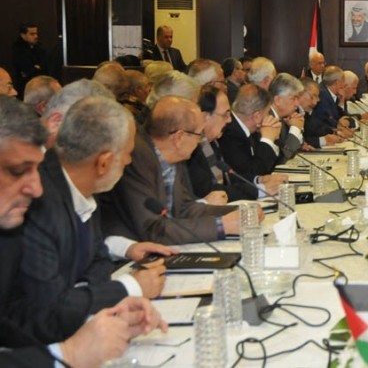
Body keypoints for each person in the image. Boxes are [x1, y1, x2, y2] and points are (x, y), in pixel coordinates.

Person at [0, 96, 166, 366]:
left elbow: (98, 261)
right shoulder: (36, 210)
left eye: (35, 168)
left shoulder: (78, 194)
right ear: (103, 163)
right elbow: (40, 310)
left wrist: (97, 310)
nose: (37, 189)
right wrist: (69, 354)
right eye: (18, 171)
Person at [99, 96, 243, 245]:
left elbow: (184, 208)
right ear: (179, 138)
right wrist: (222, 226)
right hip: (127, 252)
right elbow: (153, 229)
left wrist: (243, 213)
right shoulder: (136, 159)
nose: (200, 141)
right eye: (199, 134)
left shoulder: (174, 155)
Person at [217, 83, 283, 183]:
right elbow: (253, 173)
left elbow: (272, 167)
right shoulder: (229, 133)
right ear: (257, 116)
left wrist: (272, 140)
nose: (270, 117)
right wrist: (267, 140)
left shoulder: (251, 130)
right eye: (267, 112)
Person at [268, 73, 304, 164]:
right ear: (277, 100)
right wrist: (295, 128)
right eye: (293, 98)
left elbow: (295, 151)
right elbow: (283, 159)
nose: (297, 104)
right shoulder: (267, 119)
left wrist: (297, 128)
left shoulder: (283, 118)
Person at [299, 78, 342, 149]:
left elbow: (315, 130)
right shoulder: (290, 114)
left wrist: (335, 132)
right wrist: (323, 140)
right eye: (313, 96)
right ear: (300, 94)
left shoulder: (306, 113)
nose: (317, 100)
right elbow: (297, 142)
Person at [11, 23, 48, 96]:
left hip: (40, 87)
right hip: (24, 88)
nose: (36, 36)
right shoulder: (18, 49)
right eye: (32, 34)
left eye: (36, 34)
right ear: (23, 35)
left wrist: (37, 69)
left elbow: (46, 67)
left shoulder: (40, 47)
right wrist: (37, 68)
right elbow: (27, 70)